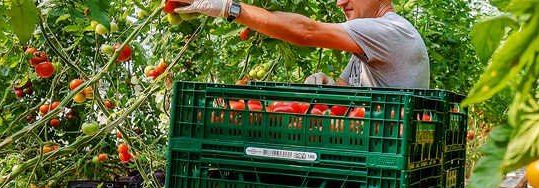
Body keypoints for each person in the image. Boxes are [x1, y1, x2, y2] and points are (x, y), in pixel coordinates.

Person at [172, 0, 430, 88]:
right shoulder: (370, 40)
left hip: (379, 166)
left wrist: (230, 8)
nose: (340, 2)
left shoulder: (387, 30)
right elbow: (344, 95)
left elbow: (305, 32)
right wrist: (328, 85)